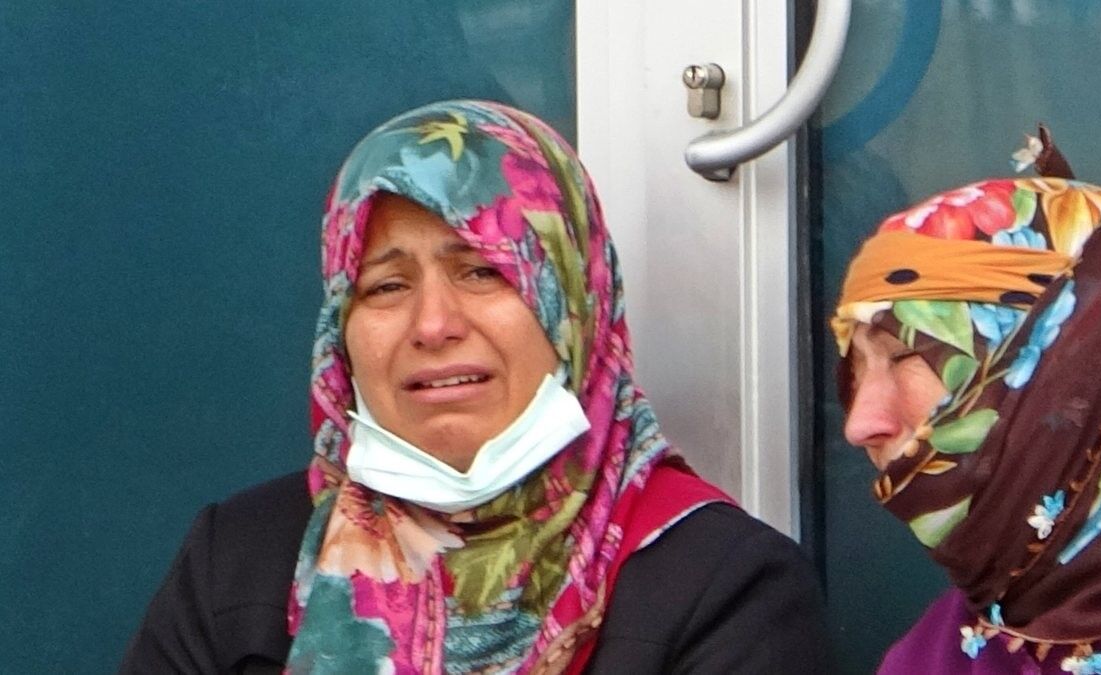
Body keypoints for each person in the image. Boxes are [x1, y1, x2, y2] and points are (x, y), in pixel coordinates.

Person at [121, 100, 830, 674]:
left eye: (483, 271)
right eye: (386, 285)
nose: (433, 324)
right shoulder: (239, 559)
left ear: (573, 306)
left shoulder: (725, 586)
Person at [832, 127, 1101, 673]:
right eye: (855, 370)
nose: (860, 424)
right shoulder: (940, 652)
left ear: (1074, 369)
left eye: (905, 355)